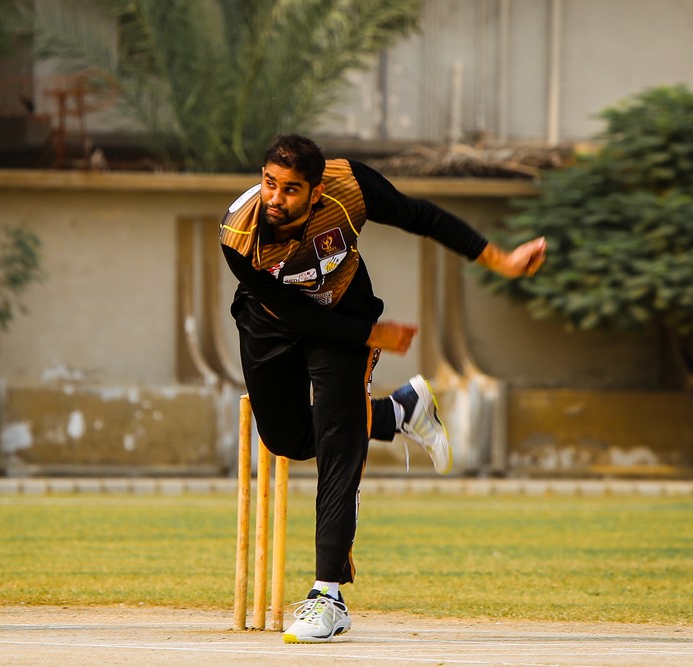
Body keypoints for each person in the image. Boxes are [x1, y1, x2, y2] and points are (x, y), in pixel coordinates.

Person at [219, 134, 546, 644]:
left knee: (339, 440)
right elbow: (296, 312)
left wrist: (499, 261)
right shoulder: (239, 235)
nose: (276, 198)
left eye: (290, 189)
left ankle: (327, 596)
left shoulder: (350, 186)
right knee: (285, 439)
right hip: (273, 321)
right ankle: (399, 412)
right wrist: (372, 334)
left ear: (317, 190)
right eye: (269, 183)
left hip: (343, 309)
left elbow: (422, 216)